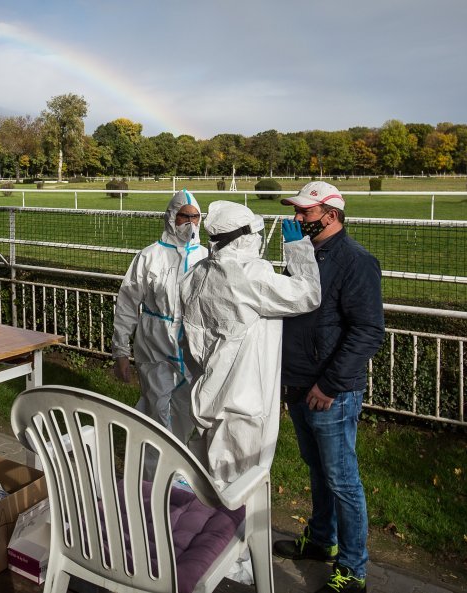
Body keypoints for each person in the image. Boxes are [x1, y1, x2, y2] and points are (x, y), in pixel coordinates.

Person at [273, 181, 385, 593]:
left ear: (331, 216)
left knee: (342, 480)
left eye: (305, 213)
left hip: (330, 392)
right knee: (317, 471)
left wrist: (330, 384)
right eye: (298, 212)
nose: (297, 219)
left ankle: (353, 570)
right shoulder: (305, 255)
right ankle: (321, 541)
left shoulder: (357, 262)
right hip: (300, 384)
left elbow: (369, 331)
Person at [180, 200, 321, 487]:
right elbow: (308, 294)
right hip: (244, 404)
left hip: (207, 393)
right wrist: (298, 249)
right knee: (236, 491)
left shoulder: (196, 273)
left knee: (205, 478)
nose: (259, 238)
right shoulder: (251, 275)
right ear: (243, 236)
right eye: (256, 232)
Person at [112, 189, 208, 442]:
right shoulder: (149, 256)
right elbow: (126, 305)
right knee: (157, 408)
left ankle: (182, 468)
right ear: (170, 217)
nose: (190, 223)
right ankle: (152, 471)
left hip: (193, 348)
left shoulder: (207, 257)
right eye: (184, 216)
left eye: (195, 217)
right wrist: (120, 351)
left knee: (191, 410)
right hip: (155, 345)